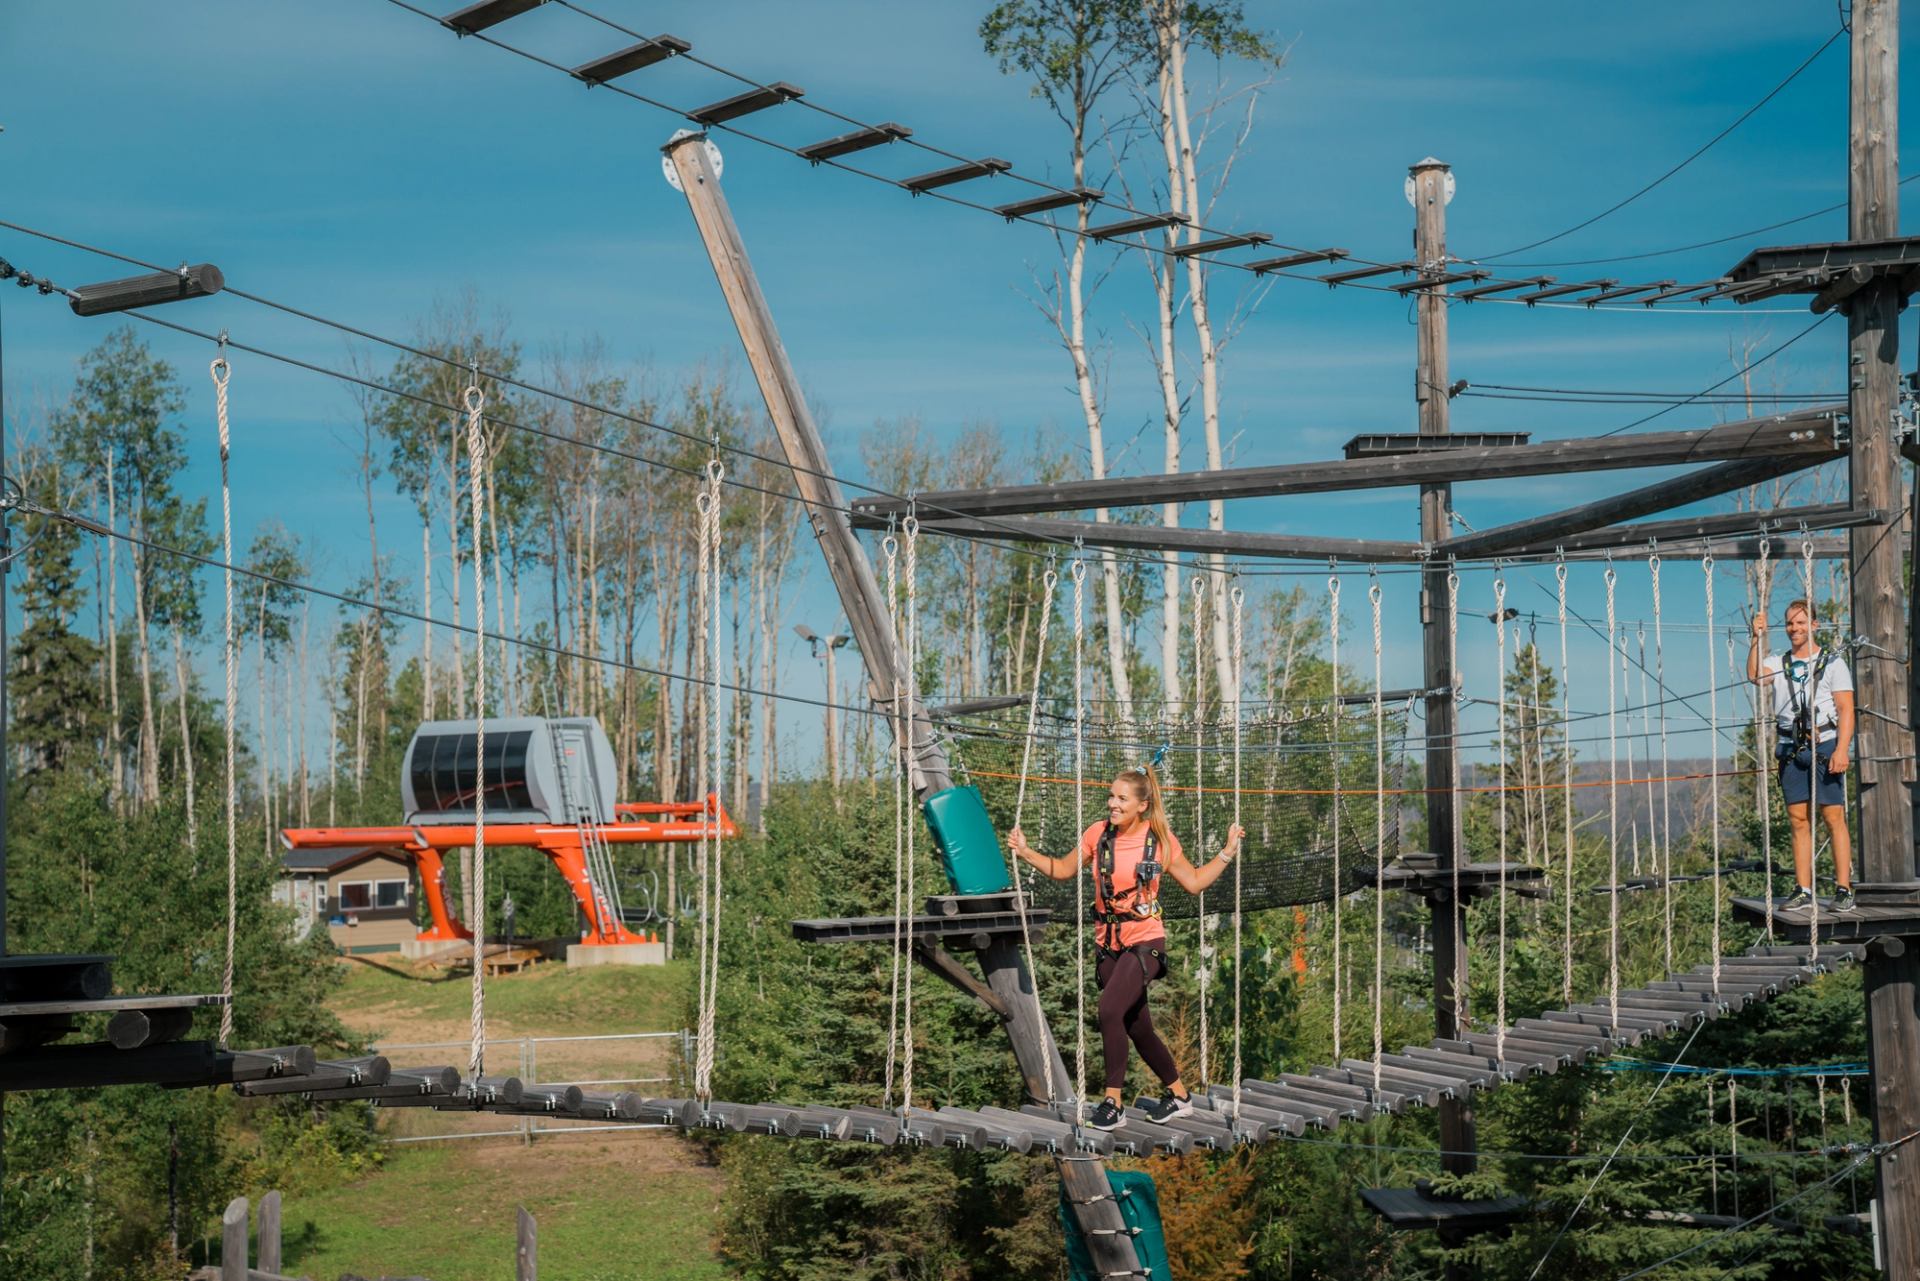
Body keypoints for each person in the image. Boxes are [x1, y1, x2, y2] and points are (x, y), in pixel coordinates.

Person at [1007, 763, 1244, 1131]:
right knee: (1138, 1026)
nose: (1112, 804)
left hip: (1145, 941)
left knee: (1109, 1009)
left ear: (1141, 806)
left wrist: (1227, 852)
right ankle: (1180, 1096)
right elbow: (1064, 869)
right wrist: (1025, 852)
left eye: (1121, 799)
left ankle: (1112, 1102)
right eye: (1111, 796)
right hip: (1109, 946)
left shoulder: (1159, 841)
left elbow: (1195, 882)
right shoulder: (1097, 835)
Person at [1747, 599, 1855, 912]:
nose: (1795, 629)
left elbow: (1846, 709)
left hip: (1825, 742)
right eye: (1791, 624)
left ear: (1814, 625)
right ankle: (1803, 888)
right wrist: (1756, 638)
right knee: (1798, 819)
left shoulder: (1832, 662)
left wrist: (1841, 749)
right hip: (1791, 746)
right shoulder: (1777, 662)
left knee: (1832, 815)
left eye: (1801, 623)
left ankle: (1843, 888)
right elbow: (1755, 676)